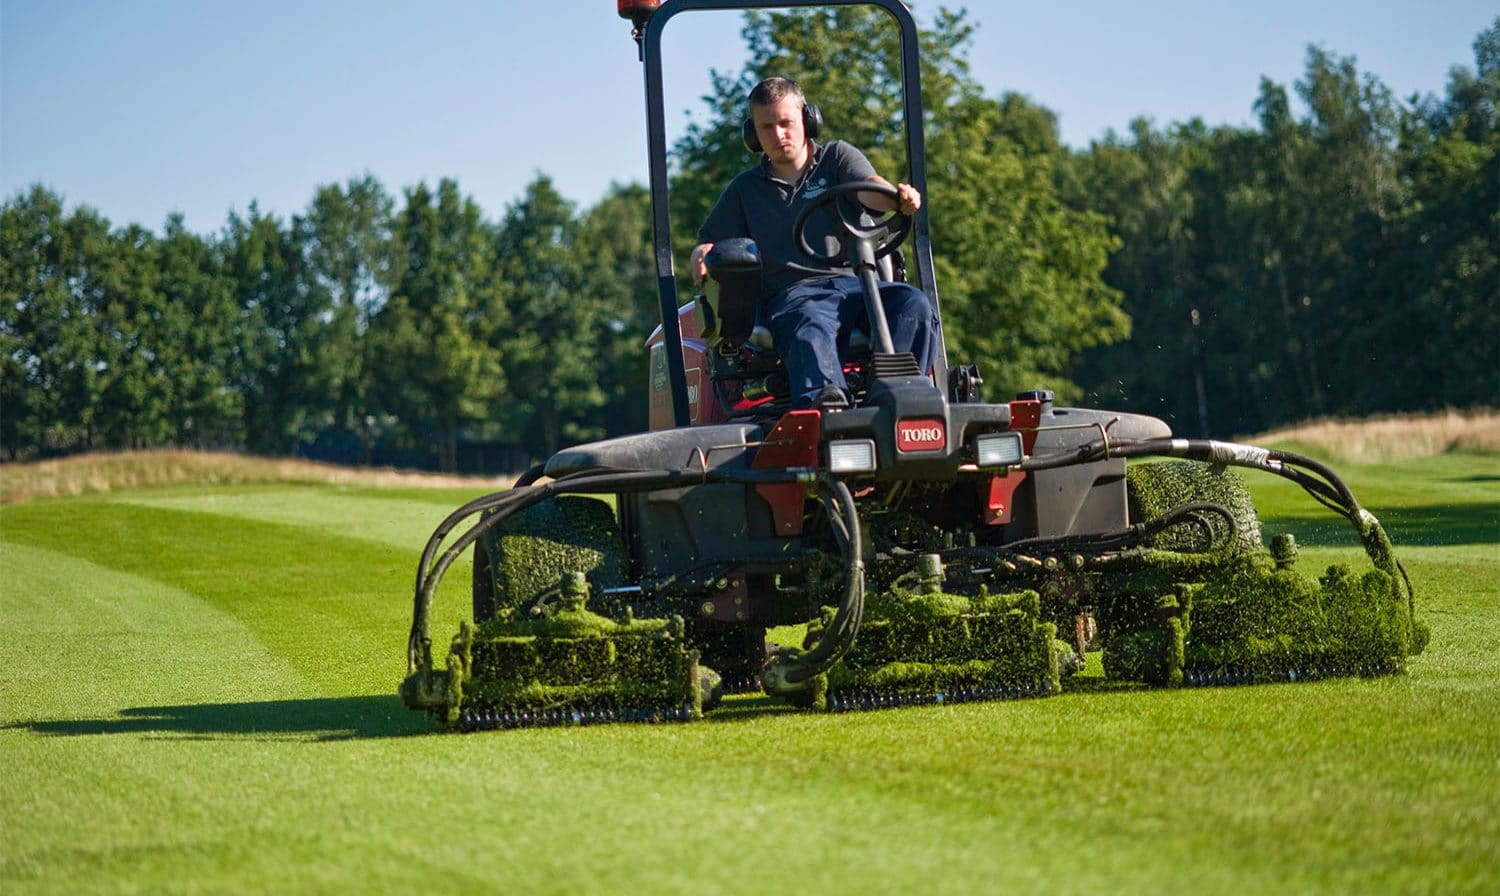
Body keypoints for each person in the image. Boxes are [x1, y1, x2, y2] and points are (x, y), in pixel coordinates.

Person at [690, 77, 939, 410]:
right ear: (753, 135)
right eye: (767, 127)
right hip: (796, 296)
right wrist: (702, 255)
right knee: (810, 324)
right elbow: (710, 242)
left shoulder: (836, 158)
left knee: (913, 306)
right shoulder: (745, 190)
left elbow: (869, 189)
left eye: (785, 123)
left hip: (859, 288)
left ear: (807, 120)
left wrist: (896, 199)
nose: (778, 135)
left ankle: (896, 396)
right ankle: (827, 408)